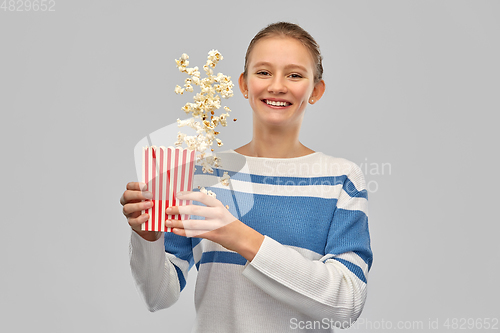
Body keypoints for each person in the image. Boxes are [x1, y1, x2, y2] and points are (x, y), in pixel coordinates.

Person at [120, 22, 372, 332]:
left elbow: (347, 302)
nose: (277, 86)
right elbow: (158, 296)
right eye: (263, 72)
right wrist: (148, 239)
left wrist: (238, 236)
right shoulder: (203, 174)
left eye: (294, 75)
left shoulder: (340, 178)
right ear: (243, 84)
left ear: (316, 90)